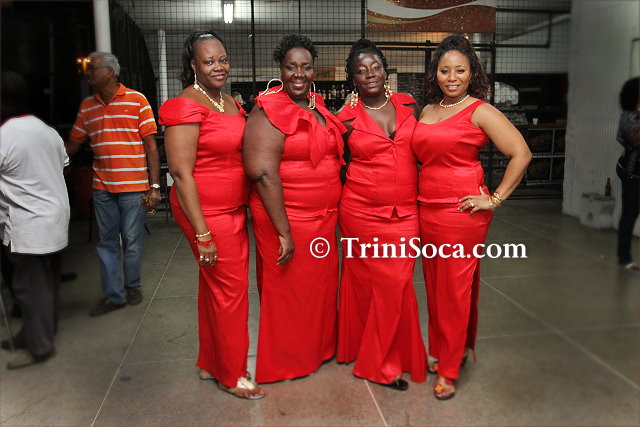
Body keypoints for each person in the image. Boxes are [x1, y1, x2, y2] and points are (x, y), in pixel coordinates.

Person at [412, 35, 531, 400]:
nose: (452, 77)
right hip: (427, 208)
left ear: (472, 73)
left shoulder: (480, 110)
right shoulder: (427, 110)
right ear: (435, 73)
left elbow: (521, 153)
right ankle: (451, 351)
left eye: (460, 70)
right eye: (445, 70)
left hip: (461, 213)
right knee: (438, 288)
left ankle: (448, 370)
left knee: (454, 291)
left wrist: (494, 199)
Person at [158, 30, 264, 400]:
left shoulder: (228, 102)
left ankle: (210, 362)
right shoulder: (185, 105)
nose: (219, 67)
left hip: (231, 209)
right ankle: (233, 374)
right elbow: (180, 172)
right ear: (193, 65)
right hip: (205, 212)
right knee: (231, 291)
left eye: (222, 59)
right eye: (208, 61)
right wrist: (202, 233)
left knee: (214, 288)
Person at [243, 34, 346, 383]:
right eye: (291, 67)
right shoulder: (267, 109)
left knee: (318, 290)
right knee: (289, 292)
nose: (299, 74)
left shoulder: (316, 105)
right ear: (280, 69)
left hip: (322, 220)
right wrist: (284, 231)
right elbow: (262, 173)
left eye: (306, 67)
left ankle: (318, 350)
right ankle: (289, 360)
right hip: (287, 219)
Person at [336, 39, 426, 390]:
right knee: (366, 286)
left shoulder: (409, 105)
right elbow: (338, 165)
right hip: (360, 213)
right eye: (361, 70)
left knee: (396, 285)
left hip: (405, 212)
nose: (370, 74)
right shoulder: (344, 118)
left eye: (375, 67)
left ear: (385, 71)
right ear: (353, 79)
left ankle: (389, 354)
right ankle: (377, 363)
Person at [65, 52, 161, 316]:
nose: (88, 73)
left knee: (132, 241)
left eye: (93, 68)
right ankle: (114, 295)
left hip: (133, 187)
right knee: (106, 243)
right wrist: (44, 151)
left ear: (109, 71)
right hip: (102, 188)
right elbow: (74, 144)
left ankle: (133, 287)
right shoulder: (87, 106)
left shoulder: (137, 100)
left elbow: (151, 146)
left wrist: (154, 186)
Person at [0, 71, 70, 369]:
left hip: (29, 226)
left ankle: (39, 347)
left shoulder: (4, 135)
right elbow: (63, 165)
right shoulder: (47, 131)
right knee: (46, 285)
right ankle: (34, 333)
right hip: (55, 219)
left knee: (29, 288)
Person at [615, 77, 640, 273]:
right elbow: (636, 141)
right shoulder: (628, 116)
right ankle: (624, 258)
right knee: (630, 214)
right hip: (632, 172)